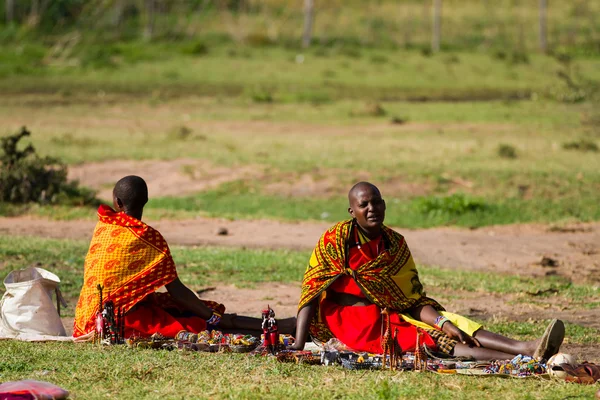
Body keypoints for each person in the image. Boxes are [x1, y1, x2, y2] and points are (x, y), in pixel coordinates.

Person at [289, 182, 565, 361]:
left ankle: (524, 347)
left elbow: (411, 299)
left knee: (452, 323)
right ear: (352, 211)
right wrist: (299, 343)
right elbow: (311, 292)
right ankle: (516, 359)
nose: (372, 209)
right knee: (429, 340)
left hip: (388, 311)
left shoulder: (395, 243)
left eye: (377, 202)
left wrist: (443, 323)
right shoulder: (335, 240)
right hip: (350, 320)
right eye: (364, 205)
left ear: (385, 204)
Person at [74, 175, 294, 339]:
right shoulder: (150, 239)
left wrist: (209, 314)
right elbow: (177, 291)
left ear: (117, 203)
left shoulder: (104, 228)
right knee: (200, 326)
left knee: (195, 315)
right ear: (146, 200)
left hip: (87, 318)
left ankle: (277, 326)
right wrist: (211, 317)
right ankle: (277, 327)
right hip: (116, 323)